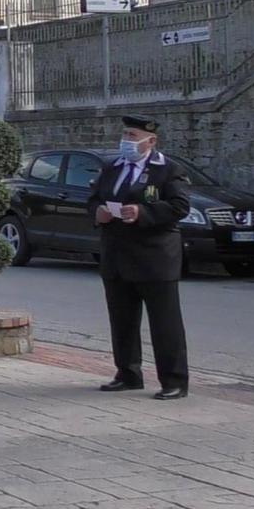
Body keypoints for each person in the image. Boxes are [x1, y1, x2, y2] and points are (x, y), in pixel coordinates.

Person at [87, 115, 192, 401]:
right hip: (117, 256)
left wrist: (143, 213)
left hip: (154, 258)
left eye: (132, 136)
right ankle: (128, 373)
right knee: (122, 320)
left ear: (151, 140)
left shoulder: (169, 170)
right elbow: (93, 199)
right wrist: (98, 213)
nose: (127, 141)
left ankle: (174, 380)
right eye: (125, 135)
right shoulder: (112, 168)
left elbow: (180, 206)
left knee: (165, 323)